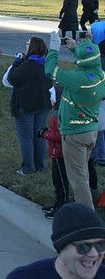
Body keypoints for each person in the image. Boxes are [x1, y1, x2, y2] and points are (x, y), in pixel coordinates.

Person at [45, 31, 105, 208]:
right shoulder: (100, 74)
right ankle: (88, 201)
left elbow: (50, 71)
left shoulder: (77, 79)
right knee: (83, 172)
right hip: (90, 130)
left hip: (74, 133)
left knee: (77, 179)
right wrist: (75, 49)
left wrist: (54, 49)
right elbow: (87, 61)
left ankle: (87, 216)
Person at [6, 37, 52, 175]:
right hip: (43, 104)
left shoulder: (27, 65)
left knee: (26, 137)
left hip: (26, 106)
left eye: (27, 44)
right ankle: (40, 166)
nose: (25, 46)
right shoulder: (47, 64)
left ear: (32, 47)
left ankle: (27, 167)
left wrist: (16, 63)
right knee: (39, 135)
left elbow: (12, 78)